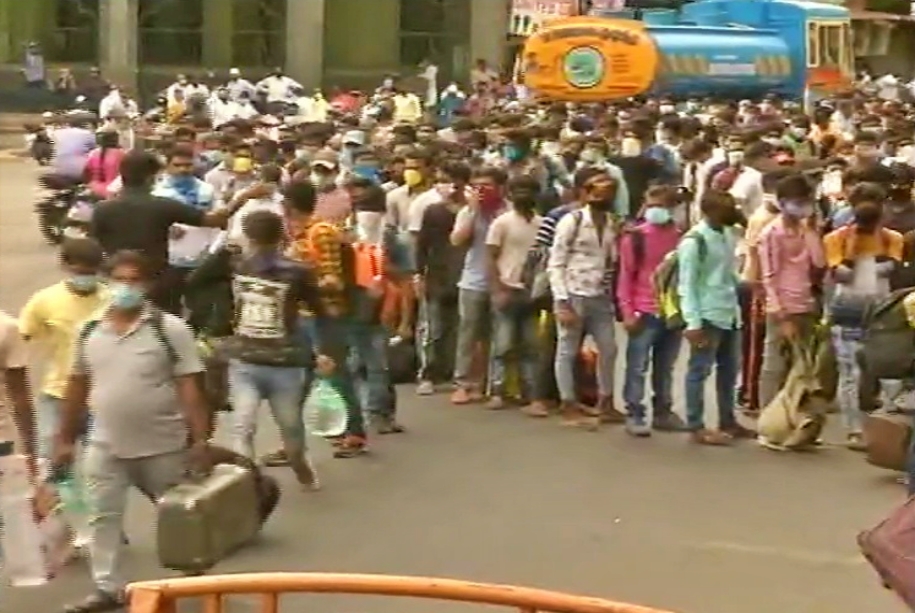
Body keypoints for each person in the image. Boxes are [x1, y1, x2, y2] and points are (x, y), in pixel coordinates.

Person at [54, 250, 212, 613]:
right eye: (119, 279)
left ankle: (197, 581)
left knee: (179, 515)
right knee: (102, 516)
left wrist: (200, 438)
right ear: (106, 282)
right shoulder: (91, 329)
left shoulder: (168, 329)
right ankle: (108, 588)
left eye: (134, 280)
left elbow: (190, 385)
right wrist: (64, 439)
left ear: (149, 284)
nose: (126, 287)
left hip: (162, 443)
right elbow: (76, 384)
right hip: (105, 442)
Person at [90, 150, 246, 312]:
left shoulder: (102, 209)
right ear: (151, 177)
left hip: (116, 282)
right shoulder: (164, 206)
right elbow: (216, 220)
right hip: (156, 282)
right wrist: (242, 197)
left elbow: (95, 246)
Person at [824, 182, 903, 449]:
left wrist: (876, 238)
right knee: (850, 373)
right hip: (848, 309)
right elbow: (841, 273)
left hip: (882, 312)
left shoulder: (893, 238)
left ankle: (889, 429)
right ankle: (854, 429)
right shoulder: (836, 238)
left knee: (889, 372)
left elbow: (888, 267)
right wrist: (853, 244)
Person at [19, 239, 109, 459]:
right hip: (59, 393)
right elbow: (22, 335)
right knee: (49, 463)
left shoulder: (111, 300)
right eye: (80, 272)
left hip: (102, 397)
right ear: (65, 266)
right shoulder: (45, 301)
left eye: (91, 272)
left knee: (100, 467)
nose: (86, 278)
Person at [547, 167, 622, 426]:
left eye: (609, 192)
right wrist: (561, 301)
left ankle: (606, 401)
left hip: (600, 294)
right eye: (598, 192)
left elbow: (612, 262)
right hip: (573, 292)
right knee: (567, 349)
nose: (603, 197)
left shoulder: (613, 223)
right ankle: (568, 403)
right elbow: (556, 262)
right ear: (586, 194)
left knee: (609, 349)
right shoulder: (573, 221)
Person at [617, 186, 684, 436]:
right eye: (651, 205)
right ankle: (634, 413)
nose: (655, 210)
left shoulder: (680, 237)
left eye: (661, 205)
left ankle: (663, 412)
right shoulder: (636, 237)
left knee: (665, 367)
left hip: (672, 312)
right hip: (643, 310)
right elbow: (626, 277)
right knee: (637, 366)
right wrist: (627, 311)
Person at [678, 190, 744, 445]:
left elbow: (726, 272)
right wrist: (692, 323)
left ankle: (728, 420)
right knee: (699, 370)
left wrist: (745, 286)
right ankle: (696, 425)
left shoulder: (727, 234)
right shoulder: (694, 242)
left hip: (728, 311)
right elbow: (687, 285)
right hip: (706, 314)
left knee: (729, 372)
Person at [485, 174, 542, 410]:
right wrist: (497, 289)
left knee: (530, 345)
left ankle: (530, 394)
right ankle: (497, 391)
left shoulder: (542, 223)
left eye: (529, 190)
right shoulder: (502, 222)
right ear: (509, 194)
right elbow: (489, 257)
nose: (523, 195)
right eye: (518, 190)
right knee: (503, 344)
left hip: (532, 292)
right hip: (507, 288)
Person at [85, 130, 125, 198]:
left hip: (94, 189)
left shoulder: (93, 153)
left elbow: (86, 172)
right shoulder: (121, 154)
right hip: (112, 191)